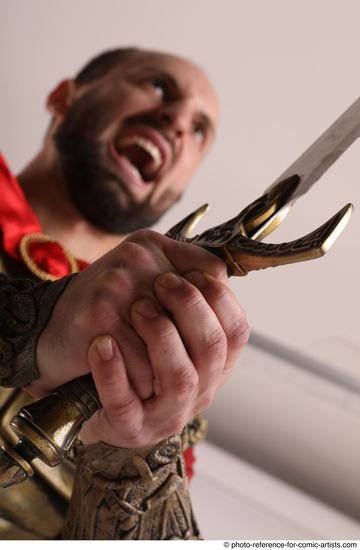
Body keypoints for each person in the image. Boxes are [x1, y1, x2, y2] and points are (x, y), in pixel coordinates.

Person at [0, 48, 249, 539]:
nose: (178, 120)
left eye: (199, 130)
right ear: (62, 98)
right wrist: (37, 328)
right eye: (158, 86)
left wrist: (125, 460)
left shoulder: (159, 378)